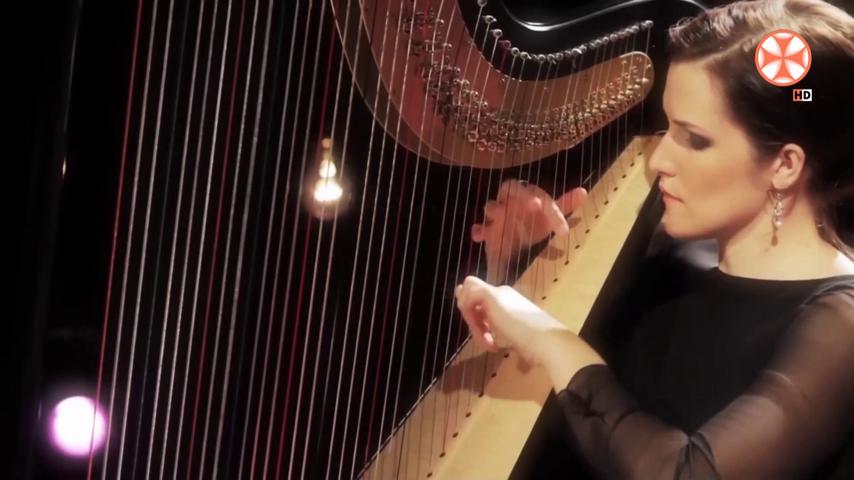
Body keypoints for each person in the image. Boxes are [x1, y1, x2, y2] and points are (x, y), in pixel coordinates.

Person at [454, 0, 854, 478]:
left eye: (694, 139)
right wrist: (513, 263)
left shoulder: (840, 327)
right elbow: (565, 425)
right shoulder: (665, 257)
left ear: (785, 165)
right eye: (667, 128)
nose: (658, 160)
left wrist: (551, 341)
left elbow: (685, 473)